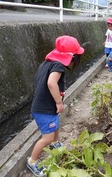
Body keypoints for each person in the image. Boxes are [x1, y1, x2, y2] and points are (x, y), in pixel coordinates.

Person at [27, 35, 84, 176]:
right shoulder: (58, 66)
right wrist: (59, 102)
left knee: (56, 124)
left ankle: (55, 142)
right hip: (44, 109)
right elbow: (51, 83)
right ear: (71, 57)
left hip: (45, 106)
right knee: (46, 138)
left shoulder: (47, 63)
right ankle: (32, 161)